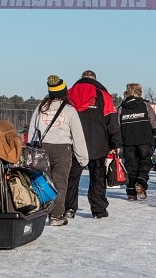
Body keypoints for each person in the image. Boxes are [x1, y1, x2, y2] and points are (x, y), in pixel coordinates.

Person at [28, 75, 89, 226]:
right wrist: (83, 157)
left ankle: (40, 212)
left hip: (42, 148)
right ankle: (56, 216)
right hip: (62, 149)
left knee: (42, 181)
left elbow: (32, 131)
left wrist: (30, 149)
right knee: (60, 183)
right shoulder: (69, 110)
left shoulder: (40, 108)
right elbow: (78, 135)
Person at [64, 70, 122, 219]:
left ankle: (69, 208)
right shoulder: (103, 95)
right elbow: (112, 120)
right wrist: (115, 141)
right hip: (98, 142)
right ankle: (98, 209)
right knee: (97, 177)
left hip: (75, 142)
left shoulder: (69, 94)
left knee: (72, 177)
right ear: (95, 79)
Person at [117, 83, 156, 201]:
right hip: (144, 140)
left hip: (127, 142)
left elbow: (116, 126)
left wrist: (115, 142)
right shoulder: (145, 105)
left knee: (130, 166)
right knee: (145, 162)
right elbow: (154, 122)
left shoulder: (122, 108)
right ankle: (141, 182)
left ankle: (131, 193)